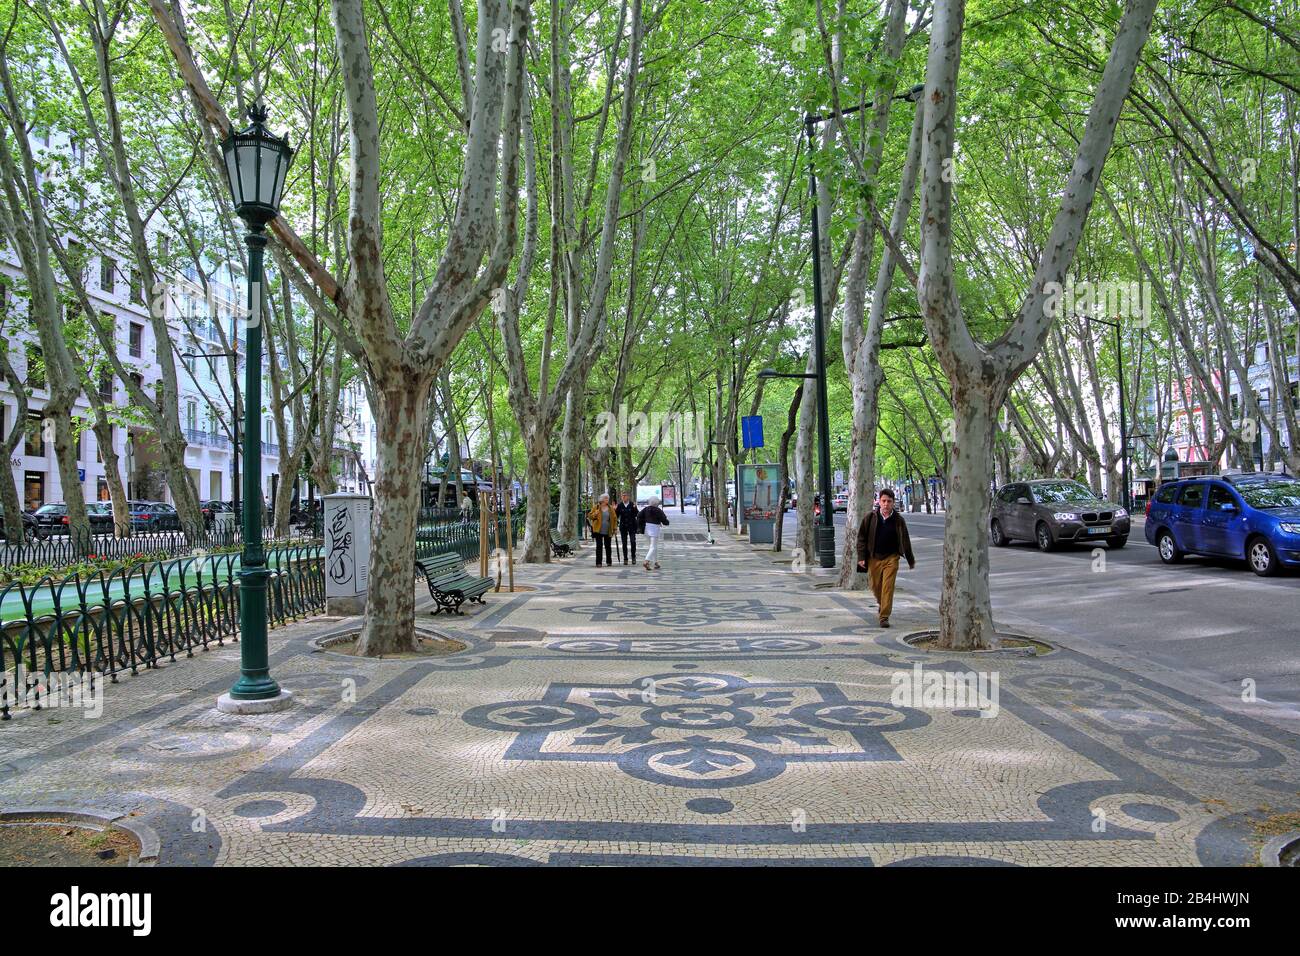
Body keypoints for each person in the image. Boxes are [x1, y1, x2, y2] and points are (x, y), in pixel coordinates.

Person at [855, 488, 915, 628]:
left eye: (889, 501)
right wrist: (861, 557)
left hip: (892, 558)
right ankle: (883, 604)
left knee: (887, 587)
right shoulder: (870, 517)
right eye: (883, 501)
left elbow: (905, 540)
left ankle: (884, 617)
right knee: (875, 587)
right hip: (874, 558)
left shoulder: (899, 520)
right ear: (879, 502)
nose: (886, 504)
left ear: (893, 503)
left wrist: (910, 559)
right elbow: (861, 538)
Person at [638, 495, 670, 570]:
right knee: (653, 547)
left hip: (646, 529)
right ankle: (646, 560)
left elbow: (639, 515)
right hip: (654, 529)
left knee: (652, 546)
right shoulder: (658, 510)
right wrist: (666, 522)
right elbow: (664, 520)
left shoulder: (646, 509)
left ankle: (656, 562)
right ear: (657, 503)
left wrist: (642, 523)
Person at [587, 493, 616, 567]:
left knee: (608, 546)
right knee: (599, 546)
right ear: (602, 499)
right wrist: (595, 514)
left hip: (608, 530)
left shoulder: (610, 508)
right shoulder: (596, 507)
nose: (607, 499)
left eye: (607, 498)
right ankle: (598, 562)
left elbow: (614, 519)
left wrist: (615, 528)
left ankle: (609, 561)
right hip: (598, 530)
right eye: (606, 498)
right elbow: (590, 516)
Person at [615, 491, 640, 565]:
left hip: (632, 526)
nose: (624, 497)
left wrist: (635, 508)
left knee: (633, 542)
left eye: (625, 496)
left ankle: (633, 557)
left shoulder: (632, 504)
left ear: (628, 497)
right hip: (623, 526)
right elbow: (616, 516)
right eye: (622, 496)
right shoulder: (620, 505)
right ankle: (625, 558)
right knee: (624, 543)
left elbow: (637, 514)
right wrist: (615, 526)